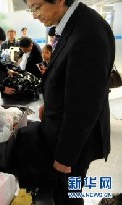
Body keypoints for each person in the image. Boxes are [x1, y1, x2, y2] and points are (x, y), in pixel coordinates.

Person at [15, 0, 115, 204]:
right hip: (63, 131)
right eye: (31, 8)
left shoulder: (88, 33)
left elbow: (84, 105)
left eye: (37, 7)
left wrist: (65, 157)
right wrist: (50, 103)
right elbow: (70, 79)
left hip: (73, 146)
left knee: (69, 196)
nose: (34, 15)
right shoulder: (72, 25)